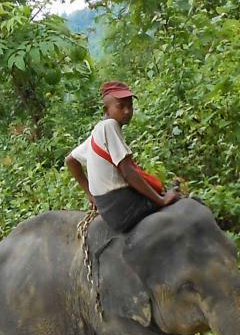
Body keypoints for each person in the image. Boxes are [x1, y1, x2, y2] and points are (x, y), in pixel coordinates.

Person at [65, 81, 181, 234]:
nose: (127, 111)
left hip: (109, 210)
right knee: (175, 200)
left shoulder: (96, 133)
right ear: (106, 110)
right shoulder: (109, 126)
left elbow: (70, 160)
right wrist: (161, 201)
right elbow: (128, 172)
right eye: (120, 106)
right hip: (123, 207)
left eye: (130, 106)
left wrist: (91, 195)